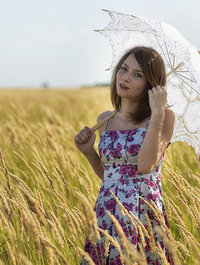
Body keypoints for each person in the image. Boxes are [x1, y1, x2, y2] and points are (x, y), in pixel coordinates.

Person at [74, 46, 175, 264]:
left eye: (137, 75)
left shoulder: (164, 117)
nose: (126, 78)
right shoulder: (106, 119)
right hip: (107, 210)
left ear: (151, 85)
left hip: (143, 213)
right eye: (124, 69)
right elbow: (110, 177)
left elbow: (145, 165)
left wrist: (157, 112)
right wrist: (89, 152)